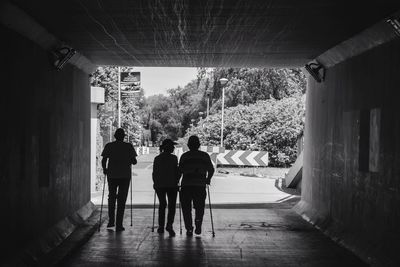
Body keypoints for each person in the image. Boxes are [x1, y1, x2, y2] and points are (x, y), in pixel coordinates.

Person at [101, 128, 137, 232]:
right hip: (125, 176)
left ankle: (111, 221)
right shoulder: (128, 146)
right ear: (124, 136)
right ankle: (119, 224)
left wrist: (105, 169)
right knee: (122, 200)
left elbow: (104, 160)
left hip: (112, 175)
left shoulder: (109, 146)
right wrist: (129, 159)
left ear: (115, 136)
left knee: (111, 197)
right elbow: (134, 162)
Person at [179, 135, 214, 236]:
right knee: (199, 207)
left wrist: (177, 182)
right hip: (200, 185)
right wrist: (208, 180)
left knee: (186, 208)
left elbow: (180, 171)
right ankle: (198, 225)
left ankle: (189, 228)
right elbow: (211, 169)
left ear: (188, 145)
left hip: (186, 186)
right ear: (199, 145)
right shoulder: (204, 156)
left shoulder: (184, 156)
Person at [152, 139, 180, 236]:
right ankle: (169, 225)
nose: (173, 148)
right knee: (172, 206)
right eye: (172, 146)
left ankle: (161, 226)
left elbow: (154, 173)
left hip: (160, 184)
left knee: (162, 204)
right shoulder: (174, 158)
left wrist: (155, 183)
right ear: (169, 147)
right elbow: (177, 172)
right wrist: (177, 182)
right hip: (172, 185)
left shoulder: (157, 158)